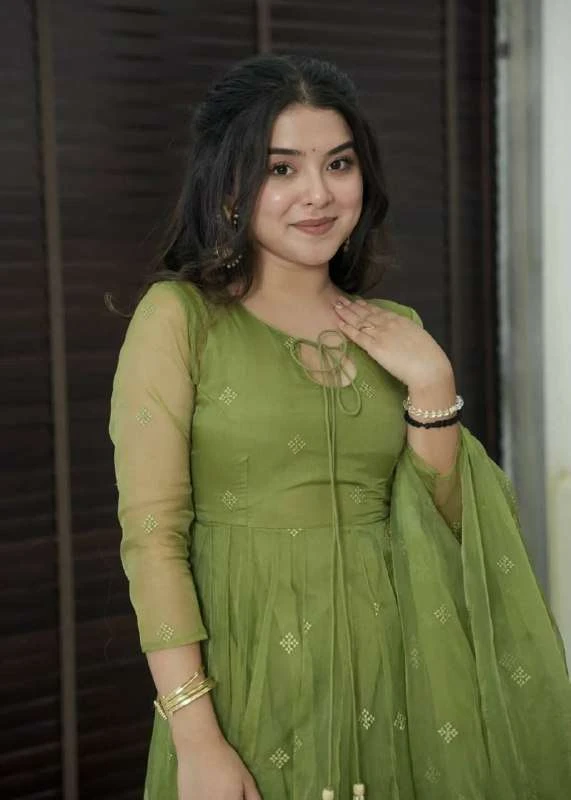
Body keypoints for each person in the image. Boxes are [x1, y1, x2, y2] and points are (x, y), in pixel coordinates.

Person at [108, 54, 571, 800]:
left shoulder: (394, 331)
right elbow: (152, 536)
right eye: (281, 169)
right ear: (228, 186)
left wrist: (432, 384)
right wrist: (196, 737)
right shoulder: (181, 320)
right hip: (250, 682)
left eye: (338, 163)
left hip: (400, 680)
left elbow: (448, 530)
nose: (318, 194)